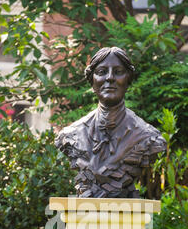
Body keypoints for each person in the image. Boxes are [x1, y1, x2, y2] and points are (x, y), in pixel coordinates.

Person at [55, 47, 166, 198]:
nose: (110, 78)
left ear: (128, 79)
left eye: (118, 71)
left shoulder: (149, 138)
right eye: (102, 72)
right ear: (92, 80)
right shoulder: (70, 135)